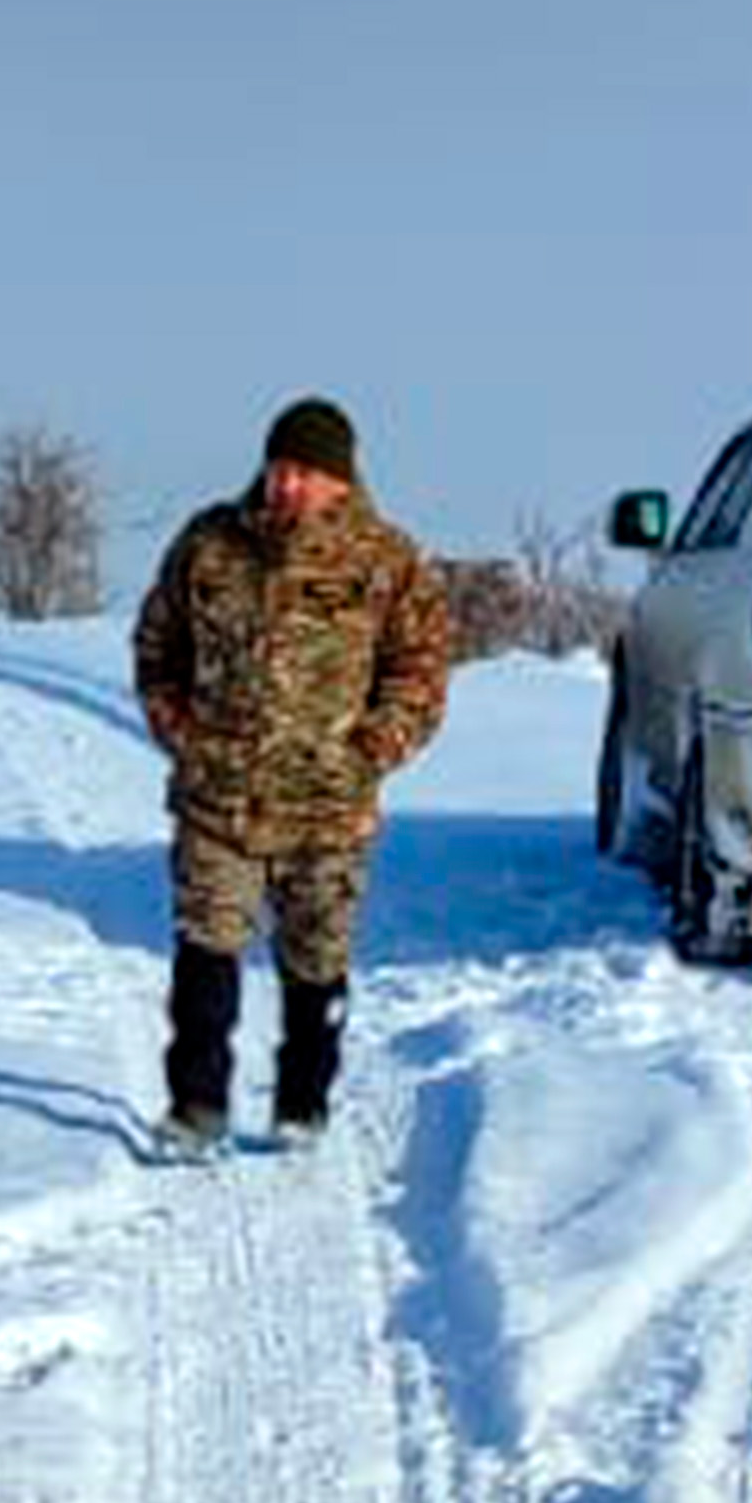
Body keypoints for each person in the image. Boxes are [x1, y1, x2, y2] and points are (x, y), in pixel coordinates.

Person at [127, 394, 455, 1153]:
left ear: (340, 480)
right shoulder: (211, 545)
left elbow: (421, 670)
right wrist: (181, 732)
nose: (287, 485)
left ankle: (302, 1106)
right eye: (280, 467)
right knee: (206, 946)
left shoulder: (385, 560)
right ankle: (195, 1109)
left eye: (306, 473)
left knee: (316, 957)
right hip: (220, 798)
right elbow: (157, 646)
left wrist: (372, 748)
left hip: (328, 807)